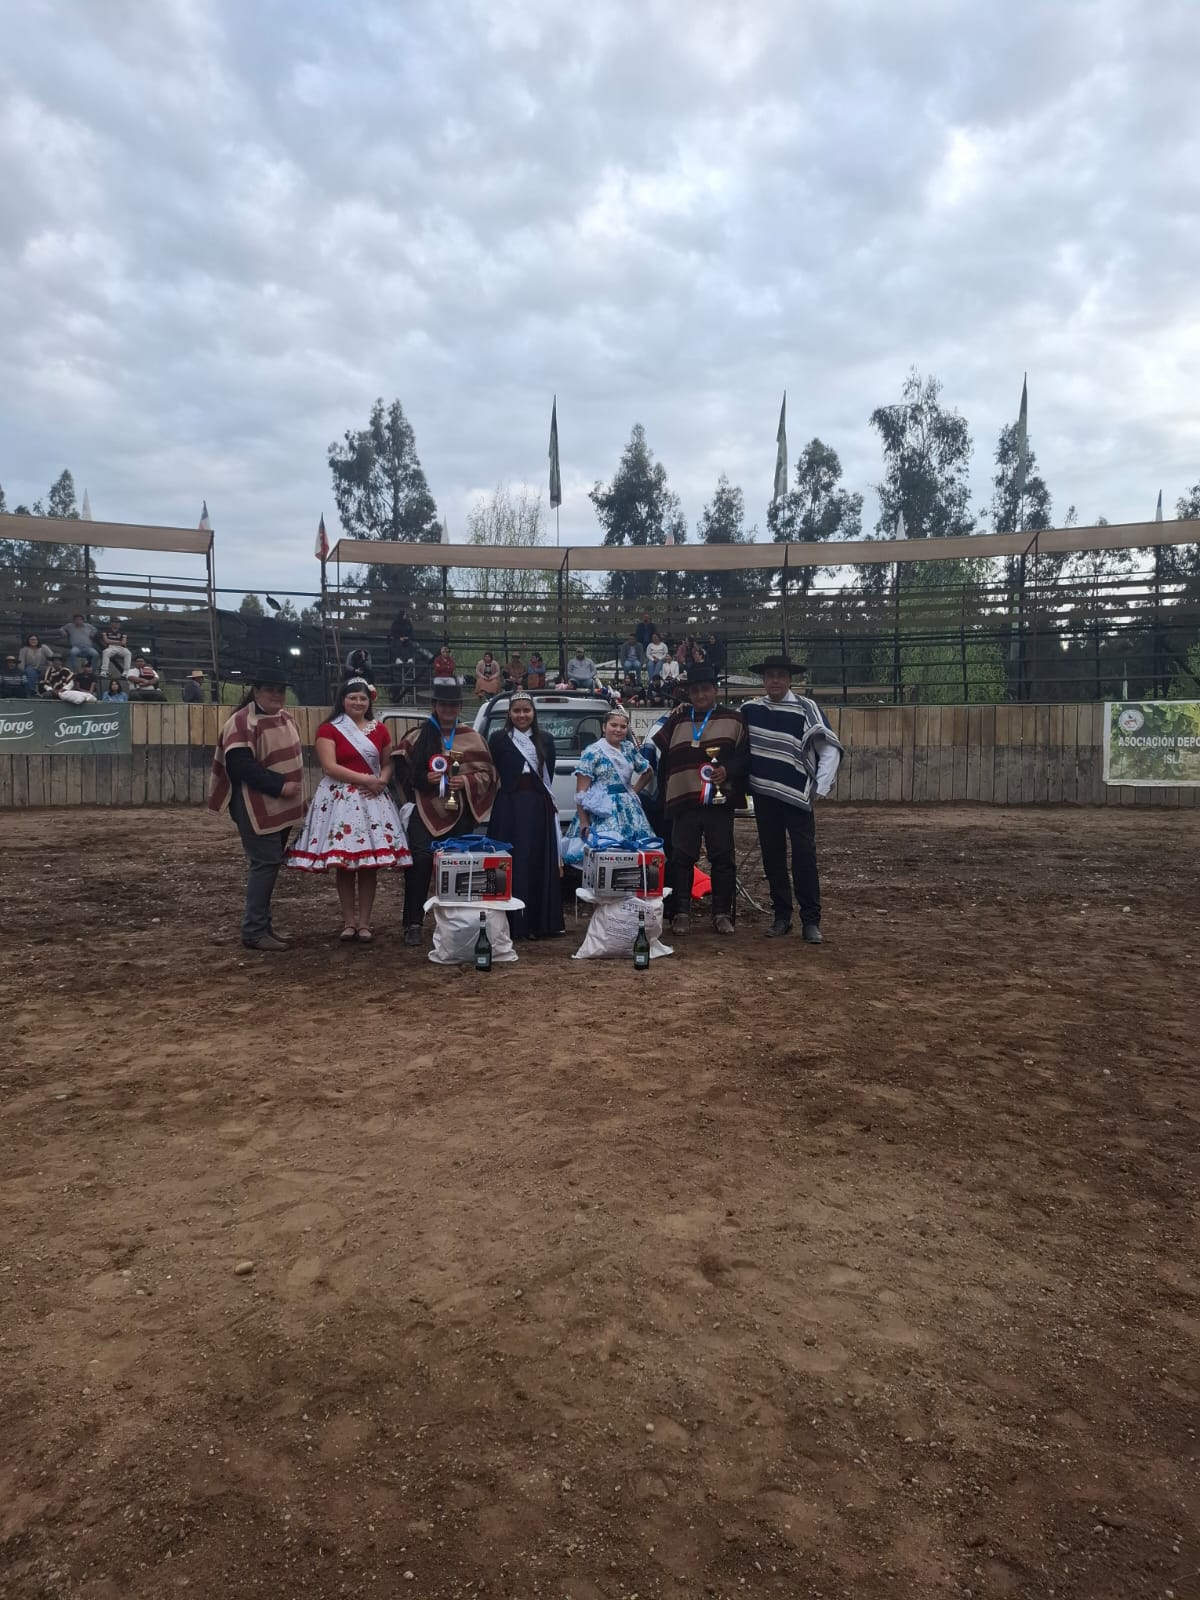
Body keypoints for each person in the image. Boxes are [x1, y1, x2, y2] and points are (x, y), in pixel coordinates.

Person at [286, 677, 412, 940]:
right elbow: (330, 766)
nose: (358, 702)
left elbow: (388, 762)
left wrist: (382, 781)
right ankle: (349, 922)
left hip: (372, 799)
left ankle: (364, 923)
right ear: (342, 700)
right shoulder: (329, 729)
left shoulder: (380, 730)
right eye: (352, 697)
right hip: (340, 800)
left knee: (368, 866)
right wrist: (367, 779)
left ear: (369, 701)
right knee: (344, 865)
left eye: (362, 698)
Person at [743, 655, 843, 944]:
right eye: (769, 675)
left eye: (780, 675)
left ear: (789, 680)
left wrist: (819, 786)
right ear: (763, 680)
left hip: (797, 795)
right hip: (764, 793)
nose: (775, 680)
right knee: (772, 856)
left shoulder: (806, 708)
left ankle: (811, 920)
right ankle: (781, 916)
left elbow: (828, 748)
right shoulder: (750, 709)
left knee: (804, 856)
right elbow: (725, 727)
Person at [207, 667, 305, 952]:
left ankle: (262, 925)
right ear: (256, 691)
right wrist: (279, 785)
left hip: (281, 806)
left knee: (269, 864)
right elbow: (240, 766)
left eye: (281, 690)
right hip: (254, 803)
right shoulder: (241, 722)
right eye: (270, 689)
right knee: (265, 864)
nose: (277, 695)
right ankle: (253, 930)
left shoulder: (286, 718)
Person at [396, 682, 498, 946]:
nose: (448, 709)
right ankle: (413, 923)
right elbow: (400, 770)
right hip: (424, 808)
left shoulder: (473, 737)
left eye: (453, 705)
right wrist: (423, 778)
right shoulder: (417, 736)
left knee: (457, 864)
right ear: (435, 706)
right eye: (443, 704)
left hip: (460, 810)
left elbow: (489, 775)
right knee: (420, 860)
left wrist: (466, 781)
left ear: (460, 707)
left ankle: (456, 921)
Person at [652, 664, 749, 936]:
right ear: (689, 694)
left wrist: (727, 770)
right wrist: (666, 796)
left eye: (705, 689)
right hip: (684, 801)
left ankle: (721, 914)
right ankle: (681, 913)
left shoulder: (734, 720)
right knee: (681, 858)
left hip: (719, 802)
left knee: (723, 858)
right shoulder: (677, 720)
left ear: (715, 690)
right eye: (695, 691)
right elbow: (665, 761)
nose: (701, 695)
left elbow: (746, 757)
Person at [487, 690, 565, 940]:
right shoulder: (498, 739)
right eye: (517, 711)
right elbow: (492, 771)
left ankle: (537, 923)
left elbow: (547, 774)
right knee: (512, 859)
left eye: (526, 710)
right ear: (509, 714)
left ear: (534, 713)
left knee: (535, 859)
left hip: (537, 806)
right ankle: (511, 922)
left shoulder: (546, 740)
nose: (522, 715)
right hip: (509, 807)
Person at [562, 705, 654, 867]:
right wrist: (584, 821)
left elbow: (648, 771)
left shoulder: (628, 748)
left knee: (634, 858)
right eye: (614, 725)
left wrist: (634, 791)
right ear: (604, 727)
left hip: (629, 810)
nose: (618, 730)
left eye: (623, 726)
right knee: (605, 856)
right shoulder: (593, 752)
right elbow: (581, 792)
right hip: (601, 811)